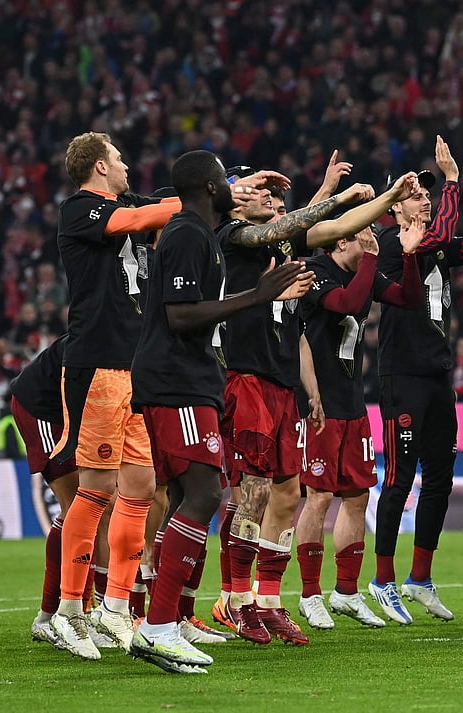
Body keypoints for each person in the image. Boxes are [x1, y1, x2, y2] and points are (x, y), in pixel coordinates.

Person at [128, 149, 312, 673]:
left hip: (188, 379)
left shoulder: (200, 232)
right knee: (207, 491)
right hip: (176, 380)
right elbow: (182, 315)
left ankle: (168, 620)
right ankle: (158, 626)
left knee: (191, 494)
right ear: (212, 188)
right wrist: (257, 296)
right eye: (228, 181)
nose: (241, 189)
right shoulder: (188, 234)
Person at [212, 163, 377, 645]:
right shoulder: (233, 236)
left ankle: (267, 600)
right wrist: (335, 196)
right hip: (246, 378)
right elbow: (298, 224)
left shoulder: (283, 249)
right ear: (234, 198)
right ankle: (234, 598)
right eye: (263, 194)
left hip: (284, 384)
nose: (274, 204)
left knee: (288, 494)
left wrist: (382, 198)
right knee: (254, 492)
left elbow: (321, 229)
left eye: (279, 200)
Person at [49, 132, 183, 659]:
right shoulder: (77, 210)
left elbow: (169, 206)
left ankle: (115, 606)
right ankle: (67, 612)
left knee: (142, 486)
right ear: (100, 167)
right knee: (98, 486)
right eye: (121, 159)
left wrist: (233, 190)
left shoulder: (132, 204)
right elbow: (134, 220)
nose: (128, 166)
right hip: (95, 365)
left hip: (136, 368)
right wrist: (185, 203)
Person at [371, 137, 463, 625]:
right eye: (414, 193)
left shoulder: (439, 247)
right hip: (401, 375)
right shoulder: (393, 242)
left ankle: (420, 578)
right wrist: (452, 180)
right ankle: (382, 581)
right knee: (401, 478)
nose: (424, 198)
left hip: (435, 376)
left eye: (428, 193)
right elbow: (442, 232)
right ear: (394, 206)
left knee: (441, 481)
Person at [295, 203, 426, 631]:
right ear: (342, 239)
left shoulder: (363, 272)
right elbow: (350, 305)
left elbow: (407, 298)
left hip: (353, 404)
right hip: (318, 404)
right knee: (318, 496)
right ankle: (310, 594)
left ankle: (347, 592)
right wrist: (373, 257)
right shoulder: (316, 270)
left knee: (357, 496)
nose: (371, 237)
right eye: (363, 233)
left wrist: (407, 256)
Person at [9, 336, 82, 645]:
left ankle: (80, 610)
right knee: (80, 506)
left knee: (94, 507)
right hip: (43, 407)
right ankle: (51, 615)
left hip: (68, 411)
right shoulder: (103, 330)